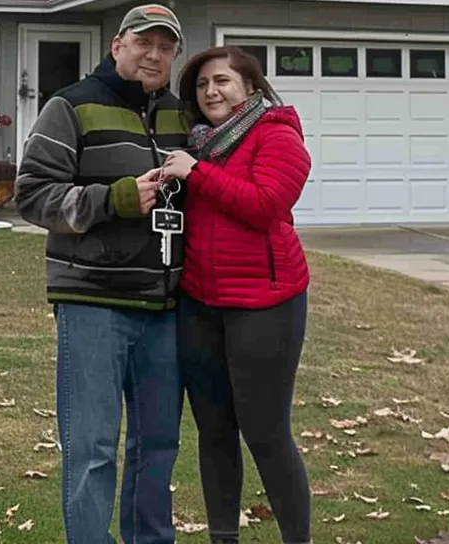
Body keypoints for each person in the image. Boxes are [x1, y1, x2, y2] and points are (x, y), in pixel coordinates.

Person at [13, 3, 190, 544]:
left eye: (165, 47)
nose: (154, 54)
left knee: (158, 445)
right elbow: (33, 196)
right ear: (117, 45)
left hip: (165, 307)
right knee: (91, 446)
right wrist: (111, 199)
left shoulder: (181, 117)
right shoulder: (70, 107)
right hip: (93, 303)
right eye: (144, 42)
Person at [158, 45, 313, 544]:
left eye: (221, 81)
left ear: (250, 86)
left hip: (265, 304)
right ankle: (223, 538)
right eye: (202, 85)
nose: (210, 92)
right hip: (201, 303)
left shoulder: (277, 134)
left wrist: (196, 174)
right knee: (214, 433)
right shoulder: (200, 143)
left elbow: (267, 205)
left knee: (266, 434)